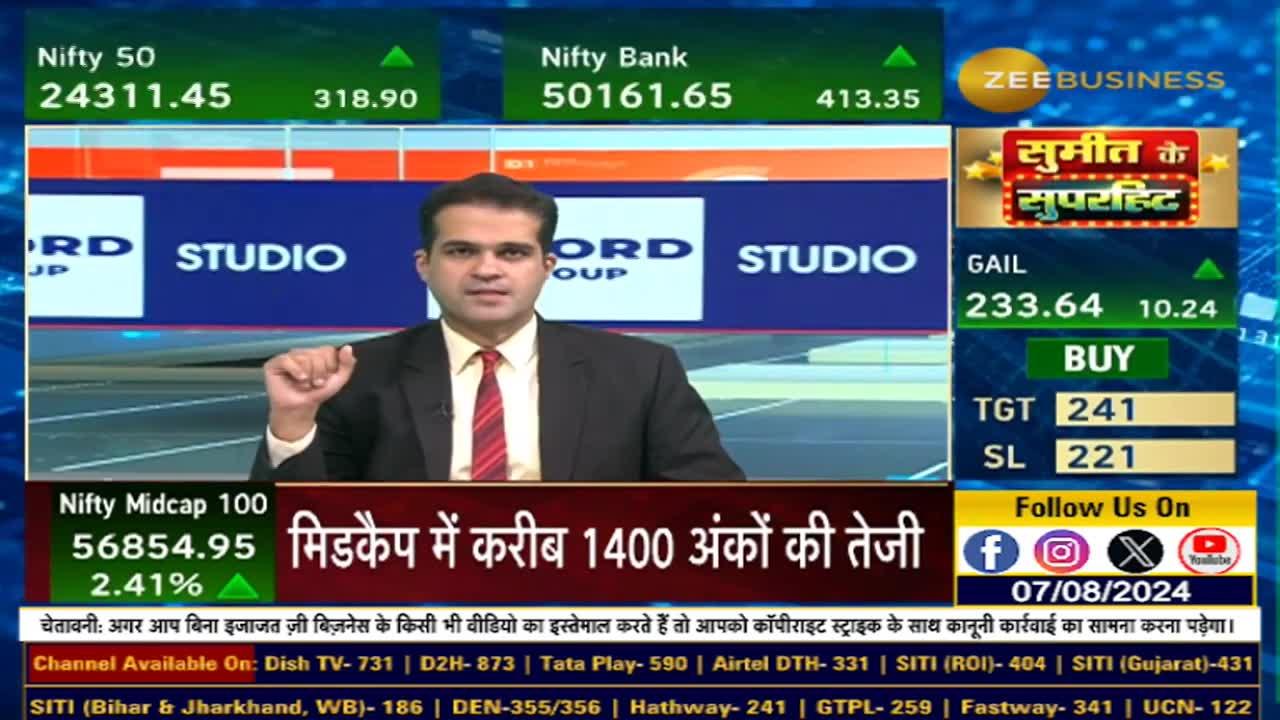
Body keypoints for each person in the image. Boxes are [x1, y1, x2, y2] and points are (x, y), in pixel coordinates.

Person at [249, 172, 743, 482]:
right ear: (424, 265)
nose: (487, 270)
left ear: (546, 267)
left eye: (512, 252)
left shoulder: (640, 371)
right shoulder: (356, 373)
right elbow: (292, 535)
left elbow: (712, 509)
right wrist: (293, 421)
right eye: (462, 251)